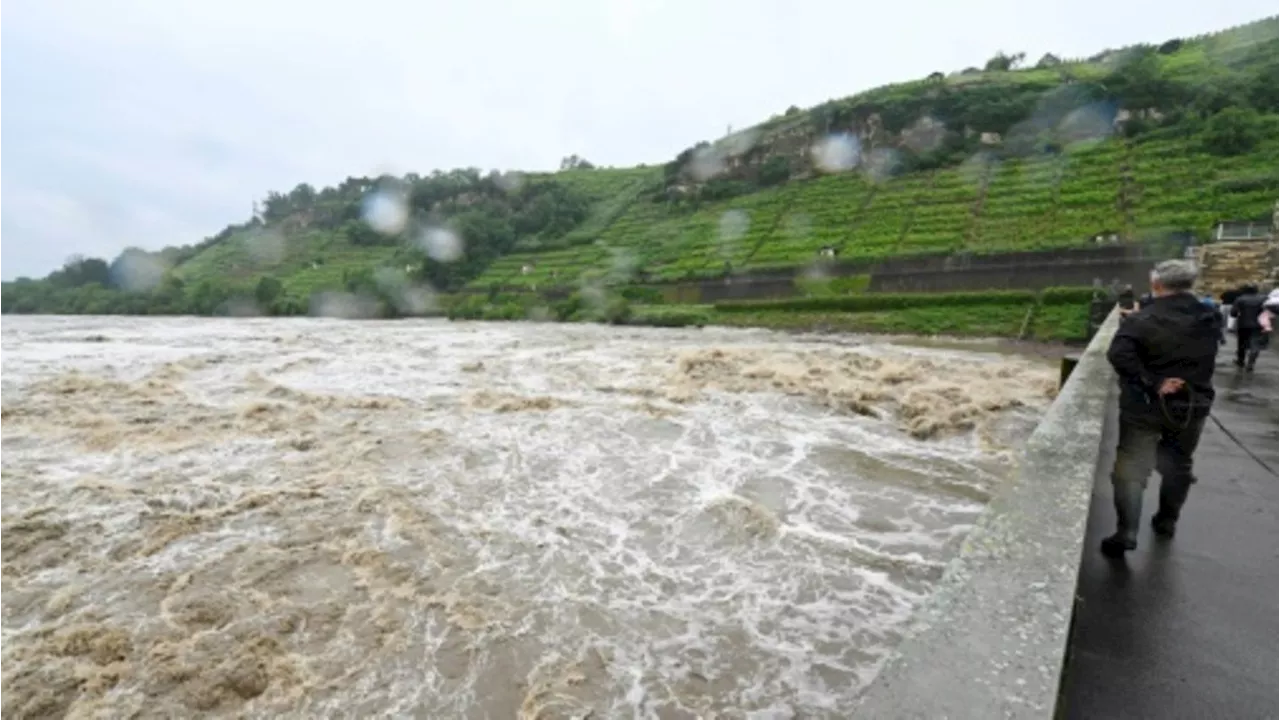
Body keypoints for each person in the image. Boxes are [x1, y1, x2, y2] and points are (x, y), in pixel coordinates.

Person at [1102, 259, 1220, 558]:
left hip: (1144, 406)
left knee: (1131, 468)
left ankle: (1126, 532)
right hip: (1192, 403)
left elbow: (1118, 355)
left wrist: (1154, 381)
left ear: (1156, 285)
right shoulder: (1209, 317)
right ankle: (1166, 522)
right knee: (1178, 463)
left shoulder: (1142, 320)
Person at [1230, 284, 1268, 371]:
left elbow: (1233, 313)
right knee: (1255, 343)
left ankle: (1240, 361)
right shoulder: (1263, 299)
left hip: (1243, 324)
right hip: (1259, 324)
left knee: (1241, 343)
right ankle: (1251, 362)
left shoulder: (1240, 299)